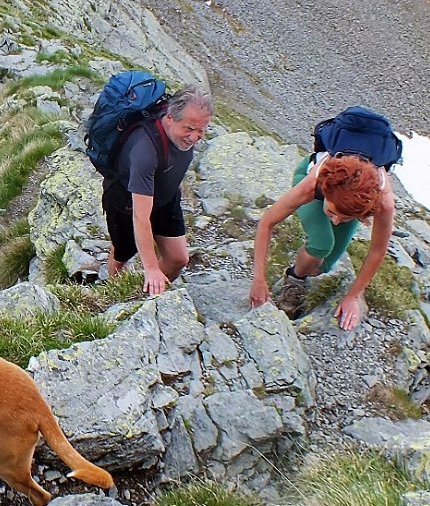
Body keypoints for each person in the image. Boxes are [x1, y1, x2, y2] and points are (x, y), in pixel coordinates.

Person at [248, 152, 396, 330]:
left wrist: (353, 296)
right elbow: (267, 222)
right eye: (333, 213)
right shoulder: (311, 186)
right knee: (321, 244)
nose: (336, 222)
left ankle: (306, 269)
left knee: (325, 265)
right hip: (314, 179)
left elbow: (378, 250)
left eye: (346, 218)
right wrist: (258, 279)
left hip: (347, 198)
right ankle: (295, 281)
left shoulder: (383, 203)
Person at [103, 87, 213, 296]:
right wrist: (151, 268)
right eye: (189, 129)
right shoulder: (145, 151)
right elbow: (141, 216)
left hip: (165, 197)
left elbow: (178, 158)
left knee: (178, 259)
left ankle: (141, 295)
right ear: (169, 117)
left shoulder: (184, 132)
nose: (194, 138)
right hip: (127, 202)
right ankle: (115, 293)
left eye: (201, 131)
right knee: (122, 255)